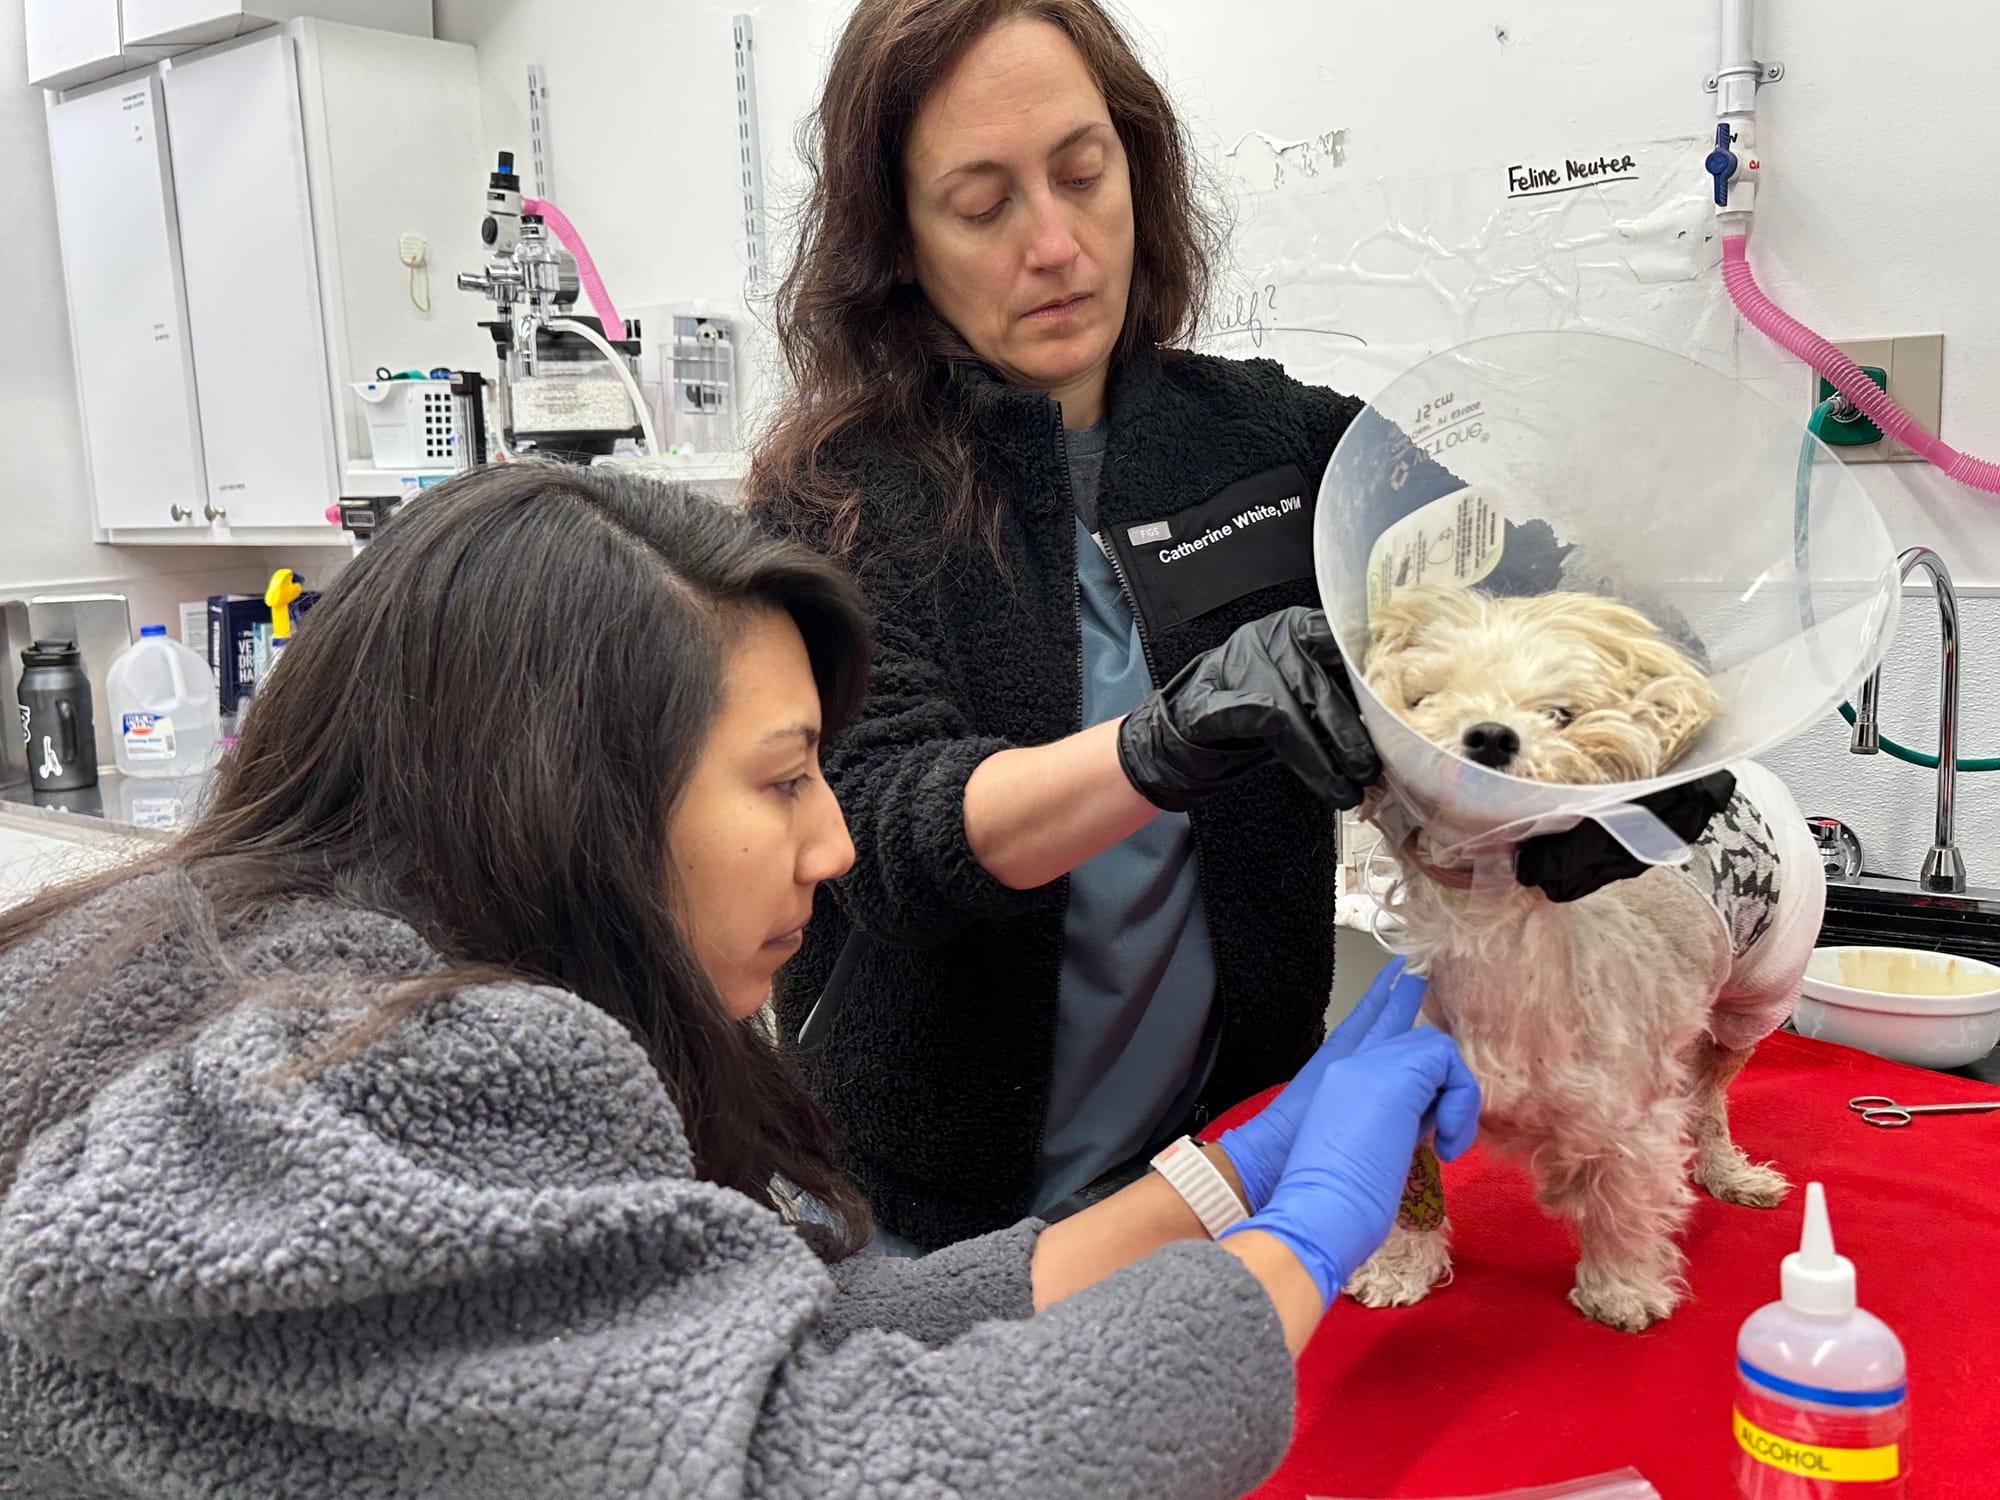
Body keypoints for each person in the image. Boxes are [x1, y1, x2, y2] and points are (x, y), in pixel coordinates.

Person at [0, 466, 1479, 1498]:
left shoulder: (256, 956)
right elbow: (832, 1464)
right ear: (564, 796)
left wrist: (1224, 1180)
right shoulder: (340, 1086)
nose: (832, 843)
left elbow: (752, 1353)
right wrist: (1305, 1242)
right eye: (781, 783)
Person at [750, 0, 1722, 1251]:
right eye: (982, 206)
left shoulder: (1282, 446)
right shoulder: (837, 501)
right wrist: (1164, 745)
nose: (1055, 243)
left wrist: (1651, 787)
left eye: (1083, 174)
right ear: (897, 244)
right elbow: (879, 832)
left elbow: (1562, 602)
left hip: (1235, 1162)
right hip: (937, 1220)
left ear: (1136, 171)